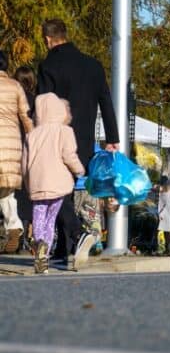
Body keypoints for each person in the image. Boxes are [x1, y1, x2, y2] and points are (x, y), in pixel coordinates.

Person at [37, 19, 119, 258]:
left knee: (55, 190)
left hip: (57, 138)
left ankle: (76, 233)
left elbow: (44, 104)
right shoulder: (93, 65)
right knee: (68, 190)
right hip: (84, 140)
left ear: (48, 39)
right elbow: (106, 100)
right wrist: (112, 137)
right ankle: (65, 247)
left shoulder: (49, 65)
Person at [23, 93, 86, 274]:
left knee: (39, 214)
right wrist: (79, 170)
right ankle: (46, 249)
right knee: (51, 218)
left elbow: (24, 162)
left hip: (38, 182)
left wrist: (28, 183)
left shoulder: (32, 135)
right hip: (58, 183)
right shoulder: (65, 131)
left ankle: (39, 244)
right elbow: (69, 155)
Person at [0, 52, 33, 254]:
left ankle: (12, 226)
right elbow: (26, 116)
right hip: (12, 145)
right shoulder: (15, 86)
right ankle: (13, 226)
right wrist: (34, 138)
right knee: (6, 191)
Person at [12, 66, 37, 253]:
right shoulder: (36, 101)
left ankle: (14, 233)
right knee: (28, 196)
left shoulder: (12, 100)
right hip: (30, 152)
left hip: (12, 149)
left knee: (12, 195)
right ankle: (27, 235)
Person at [156, 176, 170, 255]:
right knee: (167, 230)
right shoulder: (167, 189)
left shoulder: (165, 190)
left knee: (167, 230)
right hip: (167, 211)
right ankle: (168, 248)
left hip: (166, 211)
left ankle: (168, 248)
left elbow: (162, 203)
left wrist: (160, 212)